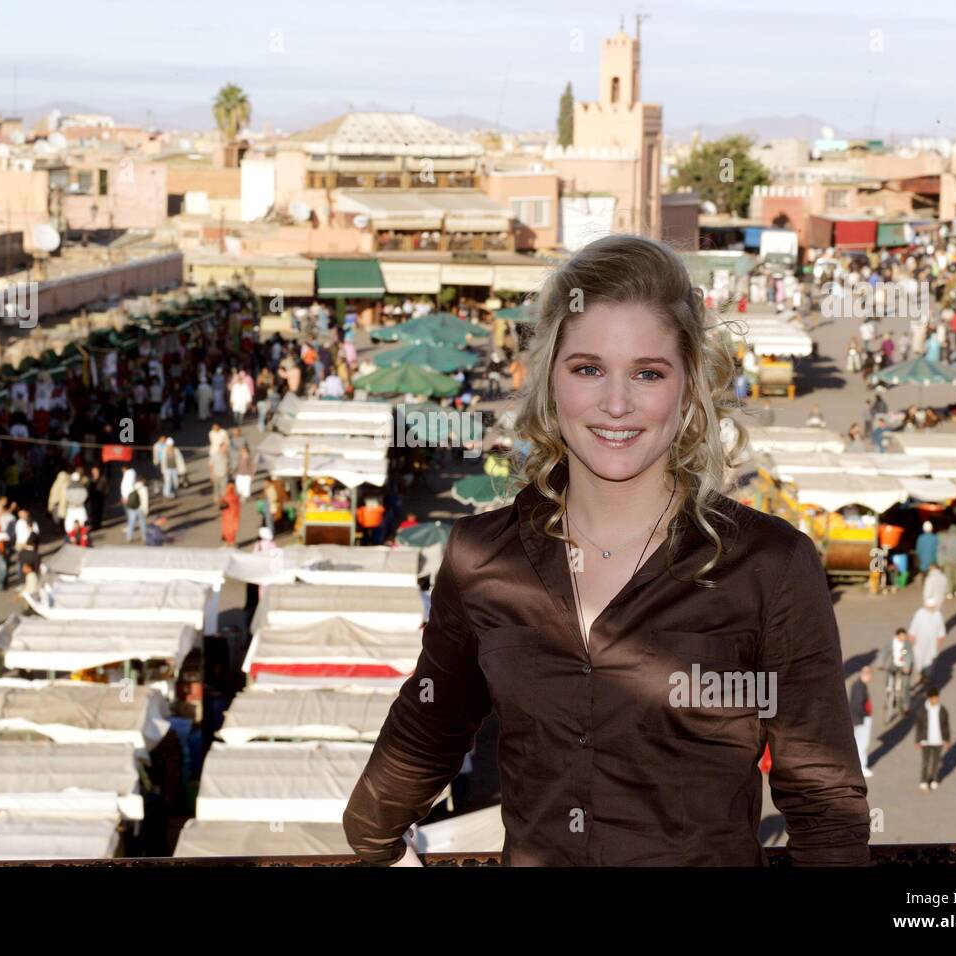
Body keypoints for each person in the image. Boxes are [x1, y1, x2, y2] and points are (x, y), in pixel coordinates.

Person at [343, 235, 870, 867]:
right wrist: (378, 848)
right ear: (550, 380)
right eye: (588, 368)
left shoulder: (768, 566)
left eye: (647, 373)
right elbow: (427, 729)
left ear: (688, 387)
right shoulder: (481, 558)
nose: (616, 404)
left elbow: (825, 808)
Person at [914, 687, 951, 790]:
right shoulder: (922, 711)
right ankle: (924, 780)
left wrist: (947, 740)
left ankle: (934, 778)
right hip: (926, 741)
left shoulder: (942, 710)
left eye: (937, 698)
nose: (935, 700)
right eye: (933, 698)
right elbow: (919, 726)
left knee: (936, 761)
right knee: (925, 761)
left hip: (938, 741)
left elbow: (946, 726)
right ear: (929, 698)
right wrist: (917, 740)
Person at [849, 666, 875, 777]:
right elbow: (857, 705)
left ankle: (856, 765)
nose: (871, 678)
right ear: (866, 674)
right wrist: (865, 714)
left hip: (858, 718)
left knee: (860, 742)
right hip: (861, 719)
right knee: (862, 743)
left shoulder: (858, 685)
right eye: (870, 675)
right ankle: (862, 766)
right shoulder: (860, 687)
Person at [120, 467, 149, 544]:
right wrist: (146, 510)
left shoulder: (133, 487)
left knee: (131, 522)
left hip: (132, 507)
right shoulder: (143, 488)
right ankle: (144, 537)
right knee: (142, 523)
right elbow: (145, 500)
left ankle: (129, 537)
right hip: (140, 508)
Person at [208, 424, 230, 501]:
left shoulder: (223, 432)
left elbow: (227, 440)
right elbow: (211, 465)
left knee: (223, 486)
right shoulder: (211, 433)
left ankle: (223, 498)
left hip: (223, 472)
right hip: (214, 453)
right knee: (216, 487)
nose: (214, 428)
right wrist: (212, 474)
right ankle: (217, 498)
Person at [218, 482, 240, 548]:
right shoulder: (235, 496)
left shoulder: (227, 496)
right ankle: (232, 543)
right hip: (234, 515)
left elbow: (221, 503)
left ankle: (227, 543)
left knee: (226, 529)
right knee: (232, 530)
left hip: (227, 516)